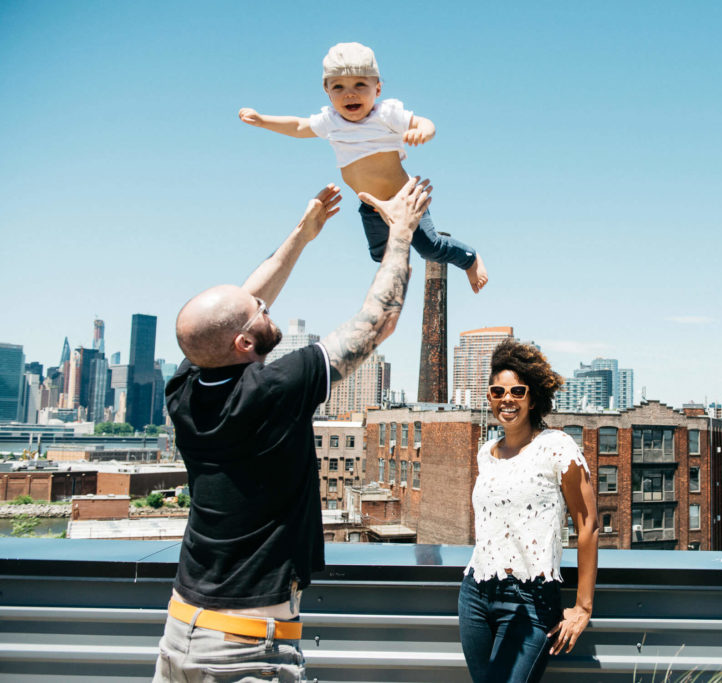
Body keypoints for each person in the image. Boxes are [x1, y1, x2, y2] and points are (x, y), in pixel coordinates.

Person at [152, 176, 432, 682]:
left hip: (181, 630)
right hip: (244, 650)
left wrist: (302, 235)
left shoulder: (183, 392)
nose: (265, 306)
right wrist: (401, 234)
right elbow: (377, 323)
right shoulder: (273, 390)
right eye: (260, 313)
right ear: (243, 343)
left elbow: (227, 312)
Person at [238, 41, 488, 294]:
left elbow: (424, 122)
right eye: (339, 87)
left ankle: (469, 258)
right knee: (379, 256)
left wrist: (423, 131)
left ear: (377, 89)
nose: (350, 93)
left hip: (404, 199)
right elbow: (298, 127)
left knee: (430, 248)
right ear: (327, 91)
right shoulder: (330, 122)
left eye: (360, 85)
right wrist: (262, 121)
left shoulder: (385, 115)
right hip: (371, 206)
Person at [459, 340, 599, 682]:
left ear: (532, 398)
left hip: (531, 601)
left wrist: (582, 607)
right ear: (490, 397)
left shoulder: (556, 447)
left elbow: (589, 525)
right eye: (498, 391)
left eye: (517, 391)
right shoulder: (486, 453)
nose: (507, 398)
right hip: (476, 595)